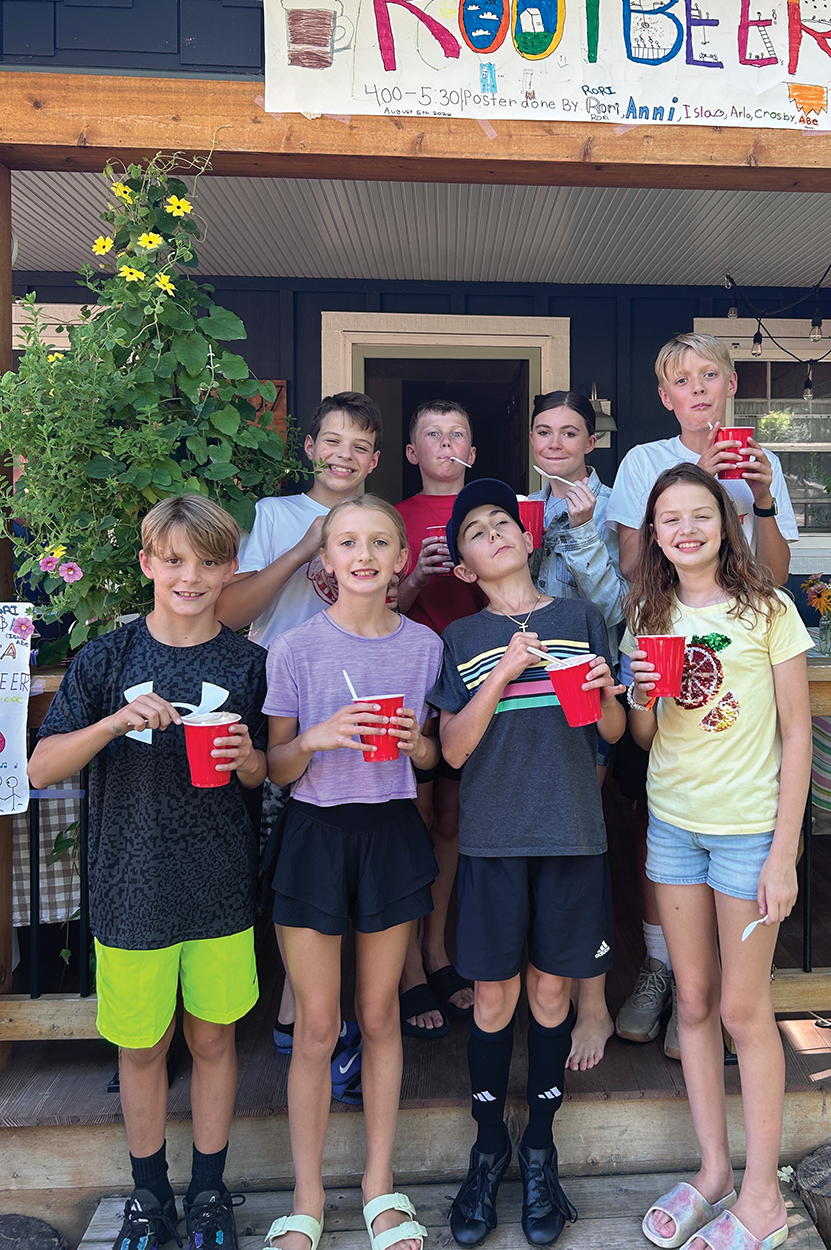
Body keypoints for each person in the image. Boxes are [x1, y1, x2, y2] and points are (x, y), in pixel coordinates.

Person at [28, 495, 269, 1250]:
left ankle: (208, 1193)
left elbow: (267, 773)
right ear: (147, 564)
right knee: (140, 1047)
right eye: (173, 560)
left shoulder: (248, 663)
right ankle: (148, 1195)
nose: (190, 576)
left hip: (220, 882)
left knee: (215, 1040)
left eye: (208, 562)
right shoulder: (106, 660)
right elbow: (40, 767)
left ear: (229, 571)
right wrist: (111, 722)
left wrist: (249, 759)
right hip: (129, 884)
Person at [430, 480, 625, 1247]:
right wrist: (504, 672)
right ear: (465, 566)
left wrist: (608, 694)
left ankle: (540, 1149)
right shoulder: (462, 638)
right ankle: (488, 1149)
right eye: (476, 531)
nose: (494, 533)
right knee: (492, 996)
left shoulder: (579, 619)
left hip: (572, 832)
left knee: (551, 992)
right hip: (494, 839)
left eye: (503, 521)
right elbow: (451, 750)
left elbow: (612, 731)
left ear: (527, 537)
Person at [624, 464, 812, 1250]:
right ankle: (713, 1173)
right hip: (673, 827)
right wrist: (641, 695)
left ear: (725, 523)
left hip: (747, 831)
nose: (687, 529)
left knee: (743, 1010)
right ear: (655, 533)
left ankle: (763, 1197)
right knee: (694, 1001)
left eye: (700, 514)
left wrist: (784, 853)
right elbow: (643, 736)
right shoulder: (647, 613)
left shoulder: (768, 608)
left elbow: (798, 732)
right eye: (670, 518)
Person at [605, 333, 799, 1052]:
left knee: (738, 824)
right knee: (653, 819)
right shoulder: (643, 462)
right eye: (682, 381)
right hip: (661, 646)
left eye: (708, 376)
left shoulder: (763, 462)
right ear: (666, 397)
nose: (697, 390)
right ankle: (665, 969)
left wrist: (760, 499)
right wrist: (699, 485)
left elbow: (773, 578)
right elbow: (634, 566)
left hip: (741, 661)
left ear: (730, 385)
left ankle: (727, 992)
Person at [262, 494, 442, 1250]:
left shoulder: (425, 647)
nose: (363, 555)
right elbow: (274, 766)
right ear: (326, 560)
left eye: (378, 542)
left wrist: (417, 744)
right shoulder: (293, 648)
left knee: (379, 1016)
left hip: (390, 833)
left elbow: (433, 757)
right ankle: (306, 1197)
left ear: (401, 557)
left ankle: (379, 1186)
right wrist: (317, 737)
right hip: (315, 836)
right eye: (347, 542)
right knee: (316, 1027)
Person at [218, 390, 382, 1058]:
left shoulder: (375, 520)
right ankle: (290, 1009)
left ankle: (313, 1011)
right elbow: (232, 611)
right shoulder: (275, 513)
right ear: (311, 447)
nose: (345, 455)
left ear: (375, 460)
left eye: (360, 446)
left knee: (336, 855)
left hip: (351, 700)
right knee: (279, 851)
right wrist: (305, 547)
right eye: (333, 441)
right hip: (279, 700)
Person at [529, 390, 625, 1073]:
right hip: (523, 695)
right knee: (534, 843)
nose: (555, 443)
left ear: (591, 443)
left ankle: (592, 1001)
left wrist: (587, 531)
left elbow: (618, 607)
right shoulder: (521, 509)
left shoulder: (617, 508)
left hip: (587, 690)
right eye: (544, 431)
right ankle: (541, 985)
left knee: (581, 846)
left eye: (570, 432)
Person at [394, 399, 485, 1036]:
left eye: (457, 434)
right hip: (414, 686)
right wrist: (417, 579)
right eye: (433, 434)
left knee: (451, 821)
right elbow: (378, 610)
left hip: (477, 684)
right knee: (413, 821)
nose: (446, 444)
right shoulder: (393, 518)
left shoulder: (490, 515)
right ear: (412, 453)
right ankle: (406, 971)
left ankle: (437, 950)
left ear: (472, 453)